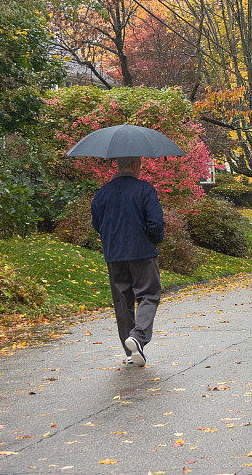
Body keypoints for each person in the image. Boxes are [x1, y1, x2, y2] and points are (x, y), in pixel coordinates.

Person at [91, 157, 164, 367]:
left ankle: (131, 352)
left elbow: (97, 223)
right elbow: (155, 222)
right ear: (134, 166)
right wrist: (152, 238)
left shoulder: (102, 193)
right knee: (149, 294)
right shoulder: (144, 190)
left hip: (114, 255)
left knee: (122, 302)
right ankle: (138, 337)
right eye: (139, 164)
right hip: (142, 252)